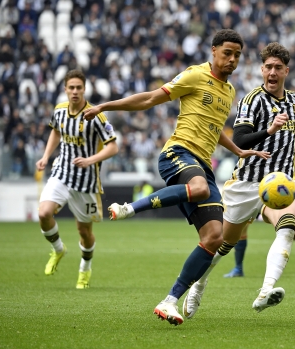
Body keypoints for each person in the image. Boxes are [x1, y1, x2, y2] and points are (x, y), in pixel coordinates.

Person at [84, 30, 269, 326]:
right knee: (196, 188)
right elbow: (149, 99)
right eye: (227, 53)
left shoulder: (230, 91)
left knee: (214, 237)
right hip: (178, 153)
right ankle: (130, 208)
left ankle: (170, 301)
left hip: (202, 165)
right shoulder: (195, 75)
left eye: (237, 55)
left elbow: (214, 126)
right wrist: (106, 106)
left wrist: (237, 149)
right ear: (213, 51)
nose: (232, 59)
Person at [182, 42, 295, 318]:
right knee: (222, 244)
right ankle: (198, 285)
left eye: (278, 68)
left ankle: (266, 291)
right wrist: (269, 129)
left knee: (287, 226)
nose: (272, 72)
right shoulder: (251, 100)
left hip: (279, 183)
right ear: (262, 70)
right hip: (246, 184)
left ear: (286, 71)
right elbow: (239, 139)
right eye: (268, 67)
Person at [222, 83, 295, 278]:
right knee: (243, 224)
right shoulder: (279, 110)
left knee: (291, 223)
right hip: (265, 175)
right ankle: (238, 267)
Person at [36, 69, 119, 290]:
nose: (74, 92)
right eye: (71, 88)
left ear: (84, 90)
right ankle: (58, 249)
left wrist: (91, 160)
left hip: (86, 182)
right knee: (44, 213)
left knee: (84, 232)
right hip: (61, 173)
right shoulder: (60, 111)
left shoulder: (96, 116)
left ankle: (85, 268)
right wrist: (45, 156)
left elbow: (113, 147)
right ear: (65, 90)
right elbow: (55, 131)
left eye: (78, 88)